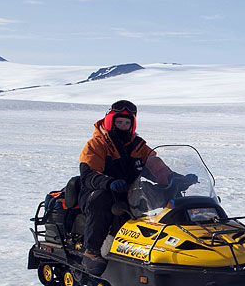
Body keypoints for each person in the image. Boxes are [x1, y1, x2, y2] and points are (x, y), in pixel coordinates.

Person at [78, 100, 186, 275]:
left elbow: (156, 167)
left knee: (165, 192)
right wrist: (108, 182)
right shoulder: (97, 144)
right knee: (102, 199)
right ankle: (91, 251)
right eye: (119, 122)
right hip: (96, 191)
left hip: (129, 191)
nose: (122, 126)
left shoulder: (137, 146)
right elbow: (89, 174)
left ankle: (176, 245)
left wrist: (176, 179)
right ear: (110, 121)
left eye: (127, 123)